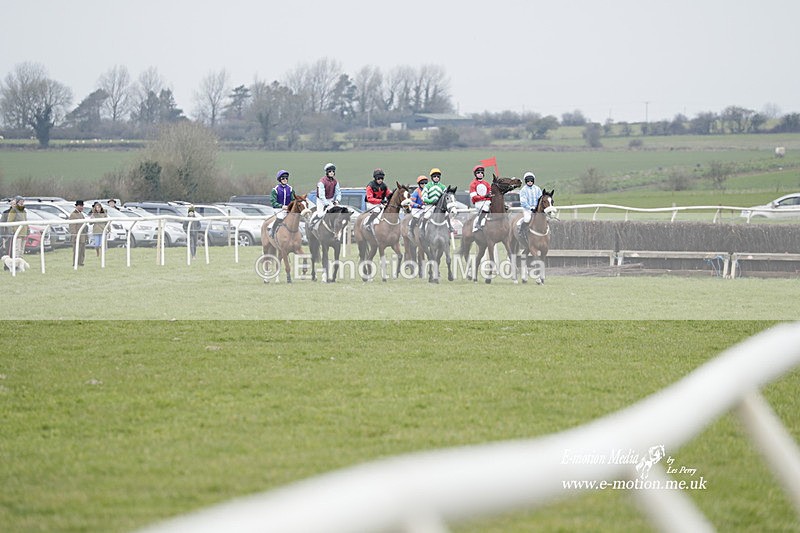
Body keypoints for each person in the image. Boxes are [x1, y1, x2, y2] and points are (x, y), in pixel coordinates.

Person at [270, 169, 295, 238]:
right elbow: (273, 202)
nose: (285, 179)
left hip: (288, 209)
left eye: (286, 178)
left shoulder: (290, 189)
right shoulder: (275, 189)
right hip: (278, 209)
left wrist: (290, 206)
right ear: (279, 179)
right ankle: (273, 231)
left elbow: (293, 200)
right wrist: (281, 206)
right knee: (280, 217)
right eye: (283, 178)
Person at [518, 171, 543, 242]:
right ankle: (522, 231)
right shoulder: (523, 190)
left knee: (545, 219)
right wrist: (530, 208)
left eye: (531, 180)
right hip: (527, 209)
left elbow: (540, 199)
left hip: (537, 209)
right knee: (527, 219)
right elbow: (523, 201)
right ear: (526, 181)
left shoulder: (537, 189)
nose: (530, 182)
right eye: (528, 181)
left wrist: (538, 207)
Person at [469, 165, 491, 230]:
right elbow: (474, 197)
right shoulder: (473, 184)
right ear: (475, 174)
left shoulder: (486, 183)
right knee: (485, 208)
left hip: (487, 202)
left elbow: (490, 193)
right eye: (478, 173)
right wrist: (484, 196)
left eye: (481, 172)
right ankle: (478, 223)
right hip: (478, 203)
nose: (480, 174)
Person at [69, 200, 87, 266]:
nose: (81, 207)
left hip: (83, 236)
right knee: (76, 251)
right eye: (80, 206)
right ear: (76, 206)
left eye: (82, 206)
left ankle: (81, 262)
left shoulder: (81, 214)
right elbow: (72, 227)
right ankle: (75, 263)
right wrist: (75, 236)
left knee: (82, 251)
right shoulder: (73, 215)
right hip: (77, 237)